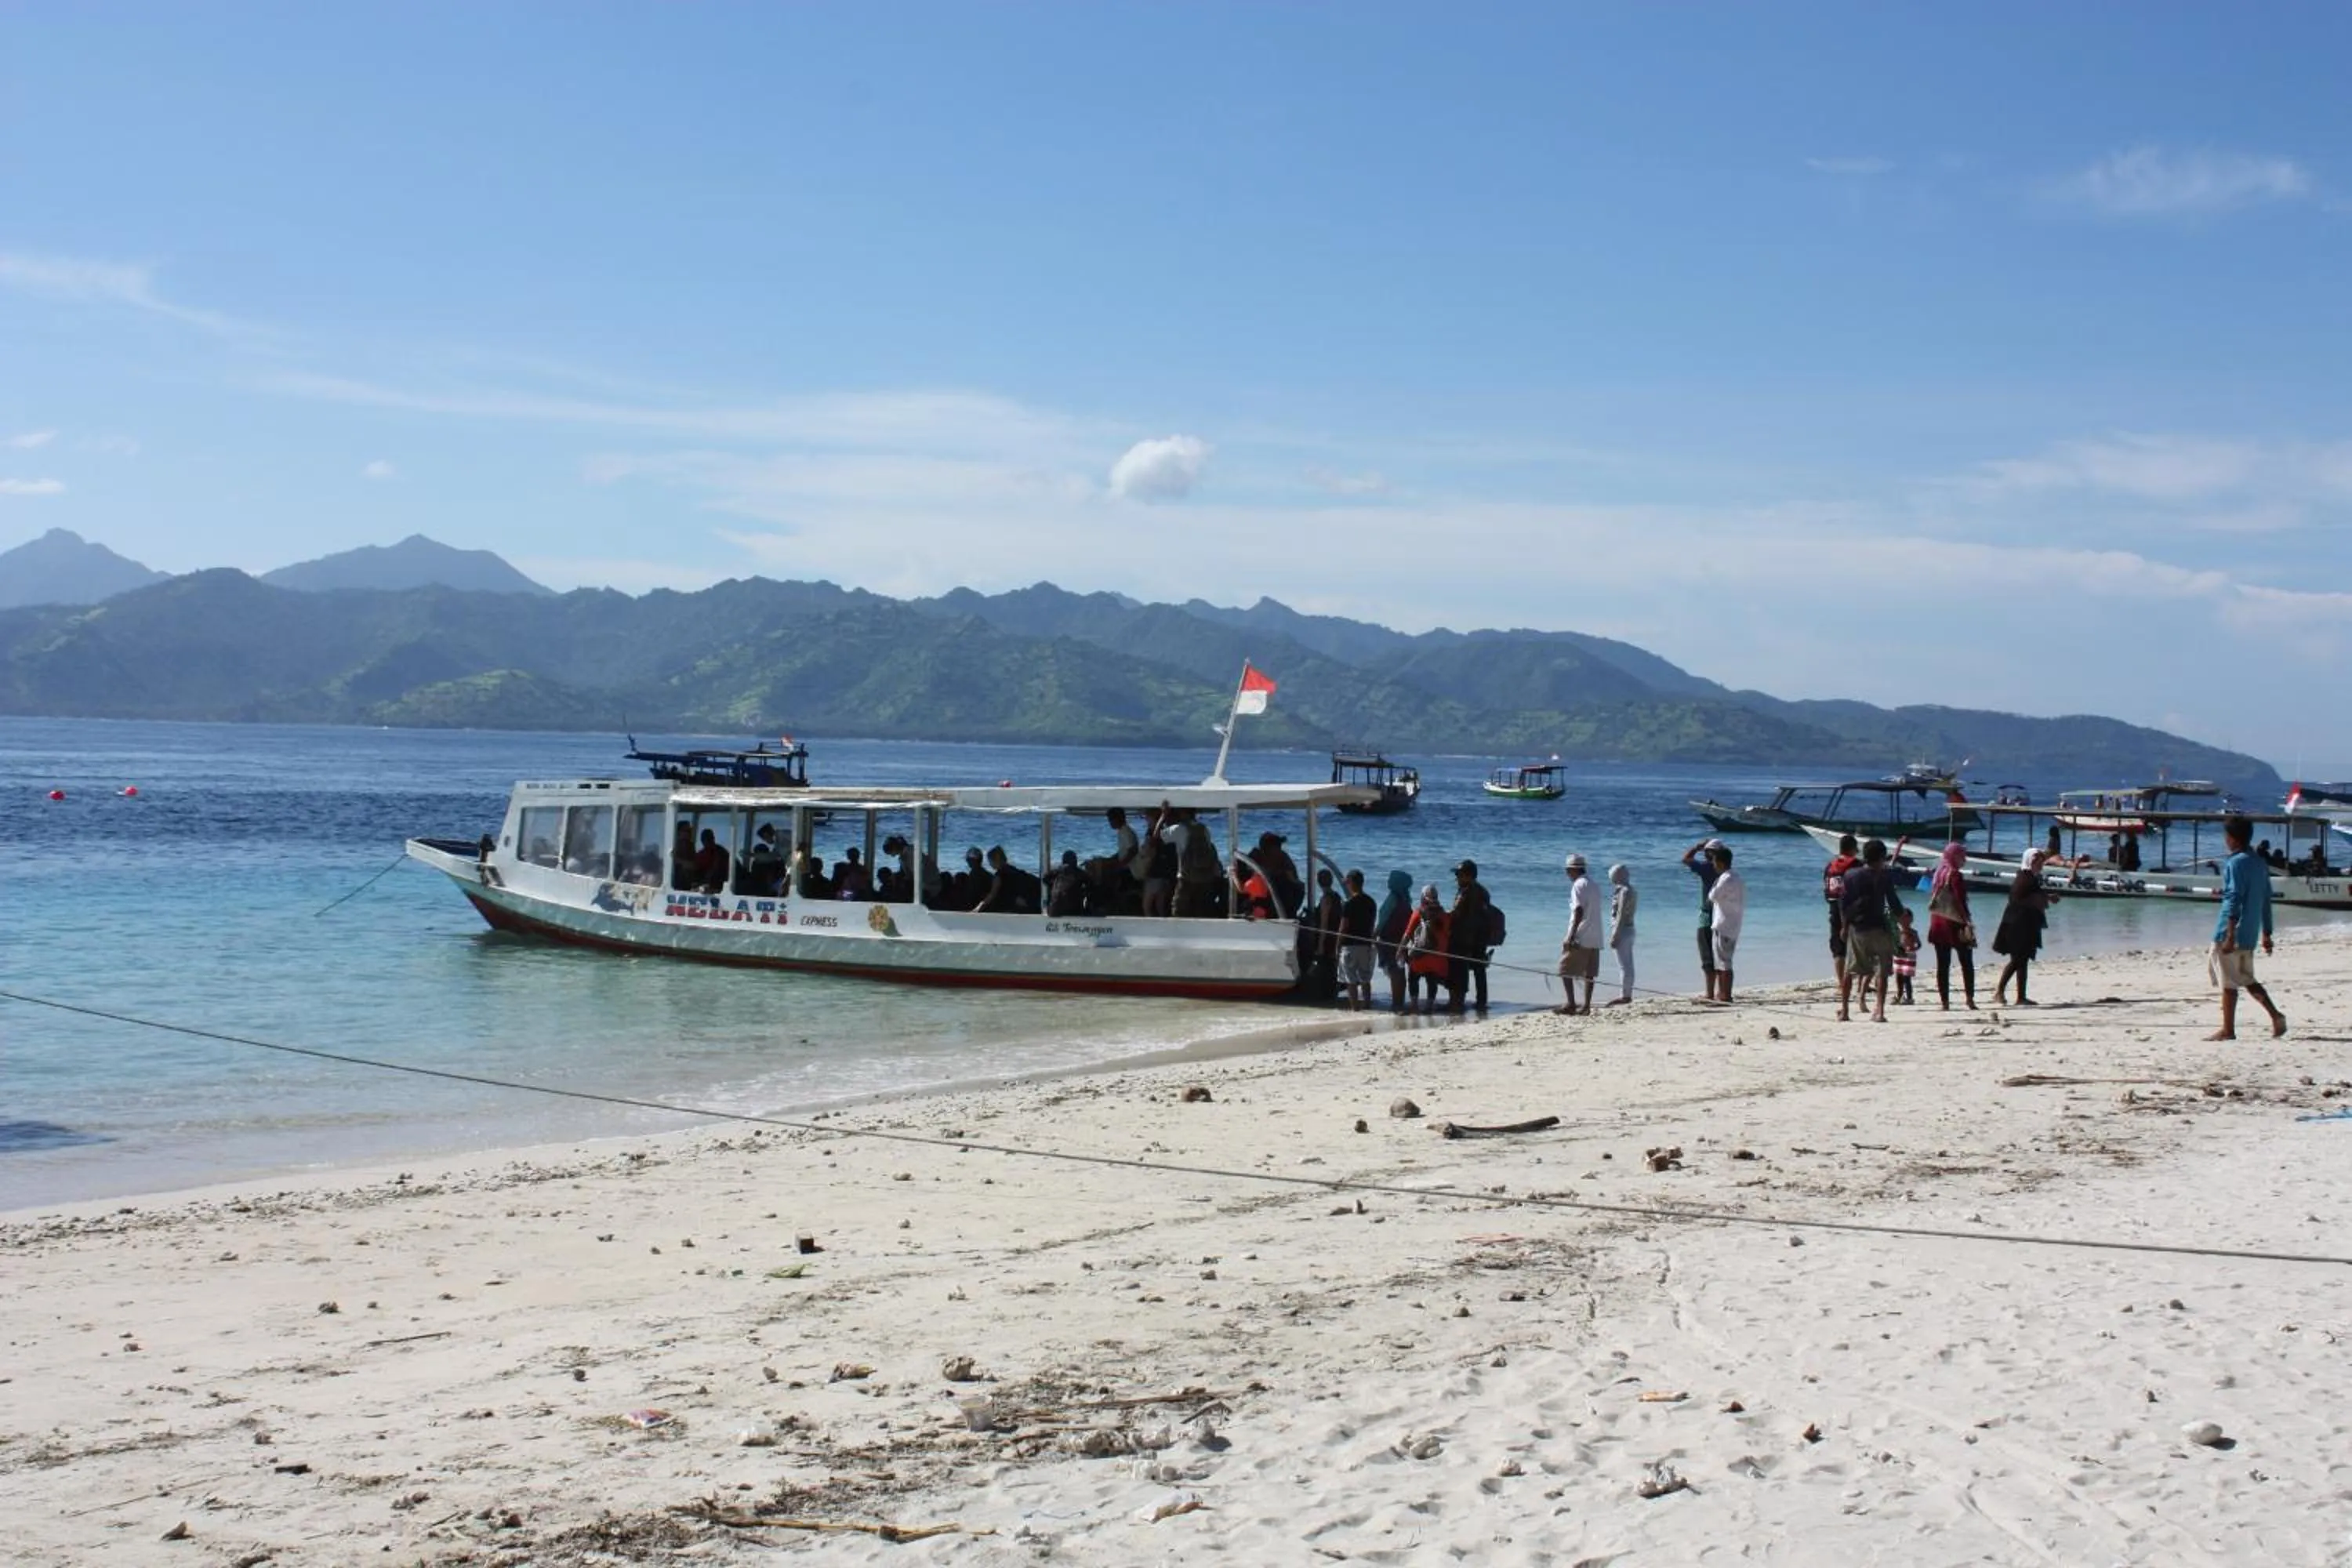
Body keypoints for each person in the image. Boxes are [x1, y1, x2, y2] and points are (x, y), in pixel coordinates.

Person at [2211, 815, 2286, 1040]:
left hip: (2230, 929)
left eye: (2227, 836)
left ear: (2233, 838)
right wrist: (2267, 932)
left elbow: (2233, 897)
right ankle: (2275, 1016)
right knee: (2244, 977)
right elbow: (2265, 899)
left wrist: (2230, 934)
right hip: (2251, 930)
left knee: (2228, 981)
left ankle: (2228, 1030)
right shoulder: (2259, 863)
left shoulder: (2235, 863)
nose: (2225, 840)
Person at [1837, 839, 1904, 1022]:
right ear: (1881, 857)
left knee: (1850, 971)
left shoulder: (1850, 875)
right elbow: (1895, 904)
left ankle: (1845, 1011)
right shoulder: (1884, 877)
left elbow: (1844, 903)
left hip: (1857, 928)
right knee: (1881, 971)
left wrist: (1844, 927)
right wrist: (1904, 927)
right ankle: (1880, 1011)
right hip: (1879, 928)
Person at [1991, 849, 2056, 1005]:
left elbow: (2031, 896)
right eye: (2037, 862)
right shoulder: (2024, 878)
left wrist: (2046, 897)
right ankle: (1999, 992)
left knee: (2023, 960)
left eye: (2041, 862)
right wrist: (2044, 898)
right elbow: (2018, 899)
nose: (2040, 865)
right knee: (2017, 960)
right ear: (2029, 862)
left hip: (2025, 923)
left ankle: (2021, 996)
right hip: (2017, 924)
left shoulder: (2029, 878)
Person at [1926, 840, 1977, 1011]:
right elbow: (1959, 900)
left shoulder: (1939, 872)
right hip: (1954, 922)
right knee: (1966, 962)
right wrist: (1967, 920)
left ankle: (1945, 1002)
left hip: (1937, 920)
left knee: (1943, 964)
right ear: (1955, 856)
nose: (1965, 859)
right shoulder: (1955, 874)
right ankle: (1969, 999)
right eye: (1962, 856)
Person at [1554, 853, 1602, 1014]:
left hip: (1581, 935)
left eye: (1568, 871)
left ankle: (1571, 1003)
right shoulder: (1593, 884)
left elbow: (1579, 910)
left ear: (1572, 870)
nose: (1567, 874)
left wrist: (1571, 935)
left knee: (1564, 969)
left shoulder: (1578, 885)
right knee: (1590, 973)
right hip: (1595, 935)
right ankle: (1587, 1005)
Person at [1448, 859, 1495, 1013]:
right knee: (1479, 969)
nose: (1457, 878)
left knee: (1460, 968)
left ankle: (1458, 1001)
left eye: (1459, 875)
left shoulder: (1466, 892)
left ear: (1469, 876)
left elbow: (1456, 914)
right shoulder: (1483, 891)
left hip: (1465, 937)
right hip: (1480, 937)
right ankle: (1481, 1001)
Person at [1680, 837, 1724, 998]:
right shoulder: (1726, 871)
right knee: (1720, 954)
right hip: (1723, 914)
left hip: (1707, 914)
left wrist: (1697, 847)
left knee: (1706, 953)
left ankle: (1709, 993)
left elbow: (1686, 859)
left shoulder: (1706, 868)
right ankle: (1722, 991)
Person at [1400, 885, 1451, 1014]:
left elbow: (1407, 933)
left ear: (1423, 897)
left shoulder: (1419, 912)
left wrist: (1400, 949)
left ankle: (1414, 1006)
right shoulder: (1444, 915)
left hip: (1420, 956)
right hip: (1437, 957)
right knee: (1432, 980)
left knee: (1413, 977)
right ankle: (1429, 1006)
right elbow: (1448, 934)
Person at [1705, 844, 1744, 1003]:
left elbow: (1713, 896)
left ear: (1720, 863)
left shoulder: (1726, 878)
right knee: (1723, 960)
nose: (1713, 865)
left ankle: (1725, 995)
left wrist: (1715, 884)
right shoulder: (1736, 877)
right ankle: (1722, 994)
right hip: (1732, 923)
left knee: (1724, 962)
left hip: (1725, 924)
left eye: (1714, 862)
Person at [1338, 869, 1378, 1011]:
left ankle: (1355, 1008)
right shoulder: (1371, 902)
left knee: (1350, 979)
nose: (1347, 885)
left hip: (1350, 945)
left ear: (1352, 883)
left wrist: (1337, 946)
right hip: (1366, 944)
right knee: (1365, 978)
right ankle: (1367, 1005)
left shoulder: (1348, 904)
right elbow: (1372, 924)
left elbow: (1343, 927)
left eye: (1348, 882)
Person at [1821, 833, 1859, 983]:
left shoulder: (1830, 866)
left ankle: (1841, 982)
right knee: (1856, 946)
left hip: (1835, 909)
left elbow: (1826, 890)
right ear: (1853, 849)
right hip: (1854, 910)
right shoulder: (1857, 864)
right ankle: (1859, 981)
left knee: (1838, 948)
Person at [1375, 869, 1414, 1012]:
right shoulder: (1406, 899)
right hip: (1401, 940)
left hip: (1389, 940)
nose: (1388, 881)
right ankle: (1400, 1001)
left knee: (1394, 972)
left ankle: (1396, 1004)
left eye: (1391, 879)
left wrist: (1375, 934)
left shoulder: (1393, 898)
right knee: (1400, 971)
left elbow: (1384, 917)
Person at [1605, 862, 1637, 1007]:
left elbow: (1621, 914)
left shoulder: (1624, 891)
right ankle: (1626, 993)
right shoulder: (1631, 889)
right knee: (1628, 964)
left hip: (1623, 930)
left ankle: (1625, 996)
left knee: (1624, 965)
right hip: (1630, 929)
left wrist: (1615, 934)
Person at [975, 845, 1042, 914]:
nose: (989, 864)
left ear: (995, 861)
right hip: (1031, 901)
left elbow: (992, 895)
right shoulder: (1013, 869)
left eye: (990, 861)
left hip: (1018, 905)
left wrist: (979, 908)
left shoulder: (999, 875)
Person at [1892, 906, 1920, 1005]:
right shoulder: (1897, 932)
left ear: (1911, 920)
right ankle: (1899, 995)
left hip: (1909, 956)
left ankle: (1909, 997)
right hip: (1899, 956)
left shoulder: (1913, 932)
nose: (1904, 921)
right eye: (1902, 918)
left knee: (1907, 978)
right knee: (1898, 977)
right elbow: (1894, 943)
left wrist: (1914, 947)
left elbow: (1919, 944)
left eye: (1907, 918)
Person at [1047, 850, 1088, 916]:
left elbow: (1045, 879)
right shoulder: (1080, 873)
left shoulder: (1057, 871)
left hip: (1055, 911)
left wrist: (1053, 885)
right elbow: (1090, 884)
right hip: (1075, 910)